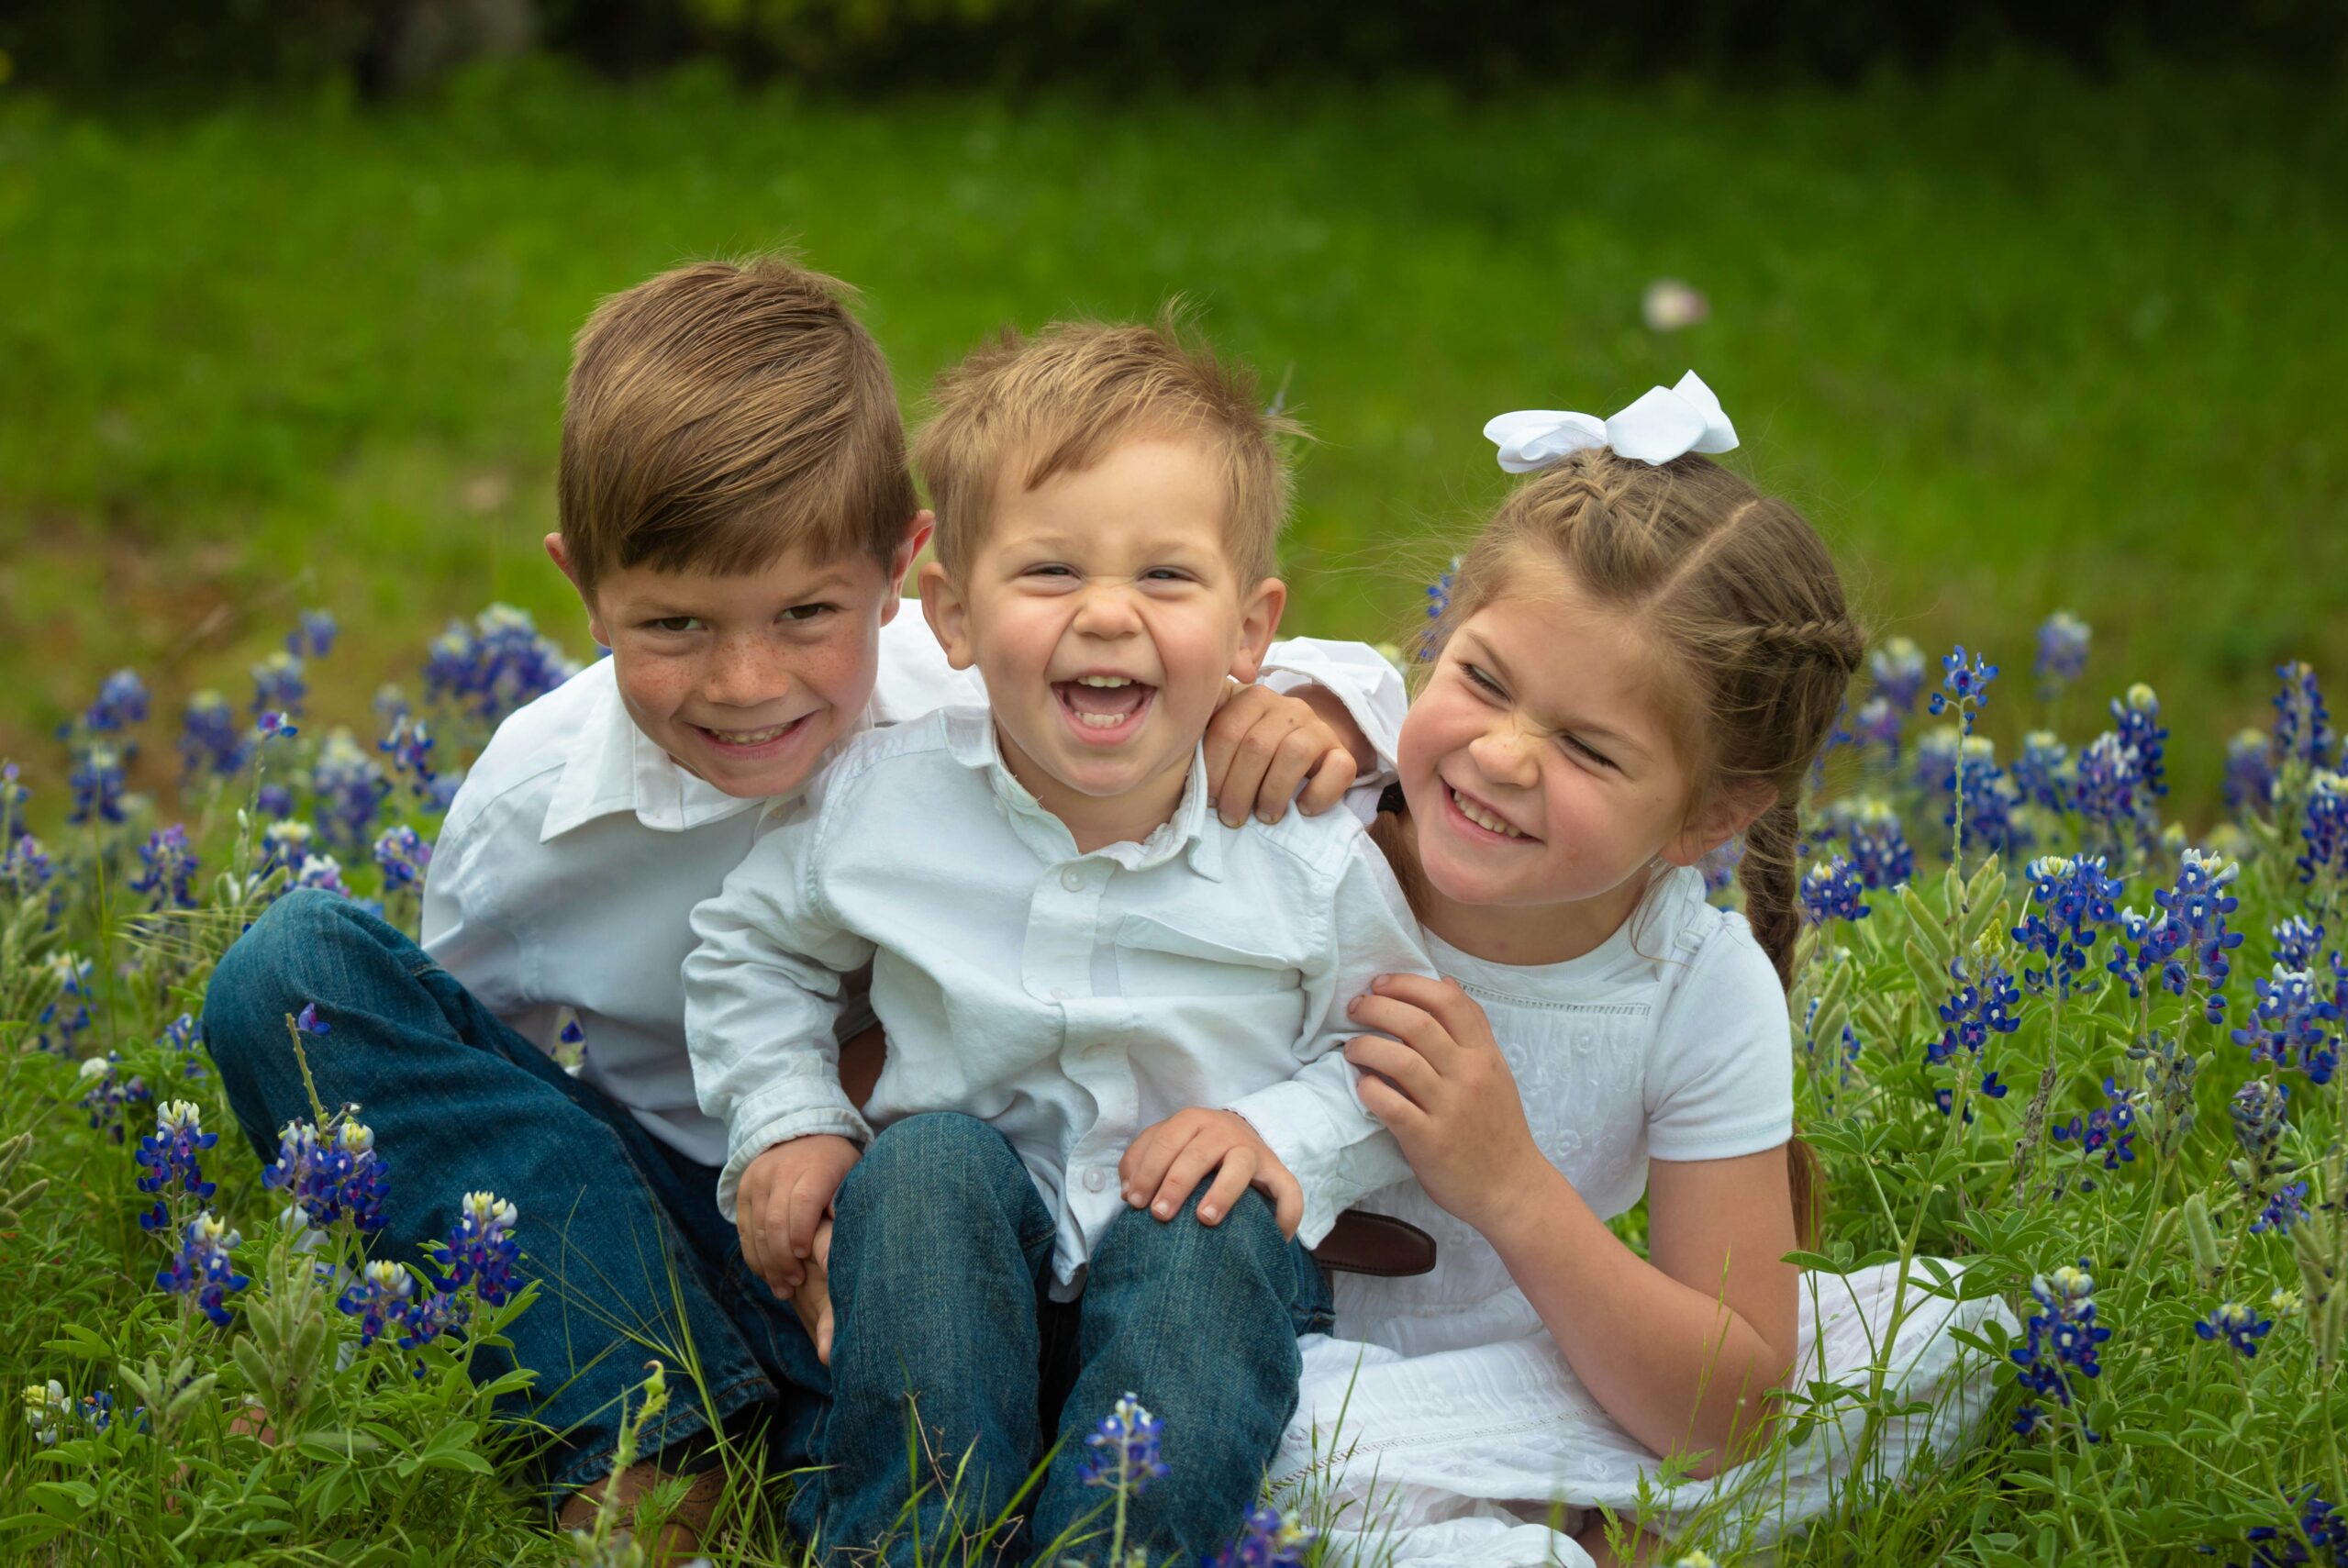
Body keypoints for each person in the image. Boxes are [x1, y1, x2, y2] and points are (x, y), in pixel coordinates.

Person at [197, 257, 1401, 1555]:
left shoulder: (989, 683)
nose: (746, 679)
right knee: (293, 972)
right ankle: (649, 1431)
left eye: (805, 612)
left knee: (947, 1190)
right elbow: (452, 1109)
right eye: (671, 624)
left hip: (962, 1257)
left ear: (904, 575)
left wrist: (1320, 700)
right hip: (695, 1241)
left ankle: (891, 1459)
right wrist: (326, 1314)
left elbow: (1180, 618)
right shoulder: (529, 803)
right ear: (579, 584)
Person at [683, 316, 1434, 1564]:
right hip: (949, 1286)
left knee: (1210, 1229)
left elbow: (1395, 1052)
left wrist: (1277, 1138)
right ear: (951, 616)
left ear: (1253, 631)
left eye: (1165, 576)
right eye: (1047, 573)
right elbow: (749, 947)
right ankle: (906, 1538)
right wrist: (787, 1115)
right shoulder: (879, 807)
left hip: (1194, 1298)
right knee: (919, 1166)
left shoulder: (1300, 852)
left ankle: (1118, 1549)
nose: (1104, 615)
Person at [1271, 375, 2016, 1567]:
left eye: (1587, 747)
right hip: (1265, 1362)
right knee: (1284, 1442)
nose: (1504, 754)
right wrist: (1295, 704)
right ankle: (1559, 1525)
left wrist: (1510, 1184)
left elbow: (1730, 1404)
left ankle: (1524, 1514)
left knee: (1941, 1332)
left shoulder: (1697, 985)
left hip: (1553, 1364)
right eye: (1481, 678)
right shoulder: (1312, 821)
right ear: (1438, 633)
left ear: (1706, 817)